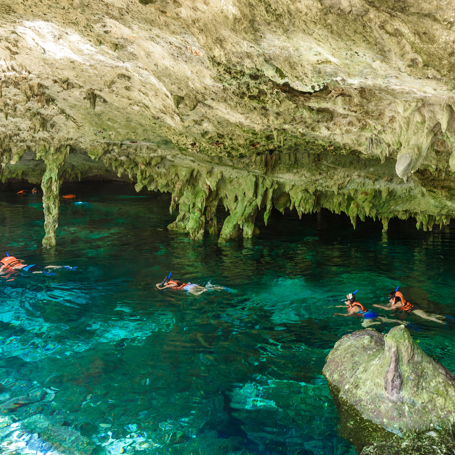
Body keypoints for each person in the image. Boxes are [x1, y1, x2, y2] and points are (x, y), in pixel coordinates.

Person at [373, 287, 445, 324]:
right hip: (413, 308)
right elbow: (389, 304)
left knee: (426, 317)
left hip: (414, 309)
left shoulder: (397, 304)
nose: (389, 300)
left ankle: (442, 322)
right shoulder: (397, 301)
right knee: (427, 315)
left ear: (393, 299)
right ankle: (442, 317)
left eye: (390, 299)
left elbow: (387, 309)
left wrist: (378, 306)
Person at [0, 253, 76, 280]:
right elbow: (23, 261)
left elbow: (1, 271)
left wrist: (1, 270)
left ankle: (44, 272)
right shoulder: (13, 257)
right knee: (46, 266)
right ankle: (62, 266)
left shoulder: (3, 263)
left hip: (23, 269)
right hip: (28, 265)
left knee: (34, 272)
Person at [156, 273, 228, 296]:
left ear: (166, 282)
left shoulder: (169, 285)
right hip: (192, 285)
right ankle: (222, 288)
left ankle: (205, 290)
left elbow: (160, 288)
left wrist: (158, 286)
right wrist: (162, 283)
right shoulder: (175, 281)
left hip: (189, 288)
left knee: (197, 294)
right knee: (207, 288)